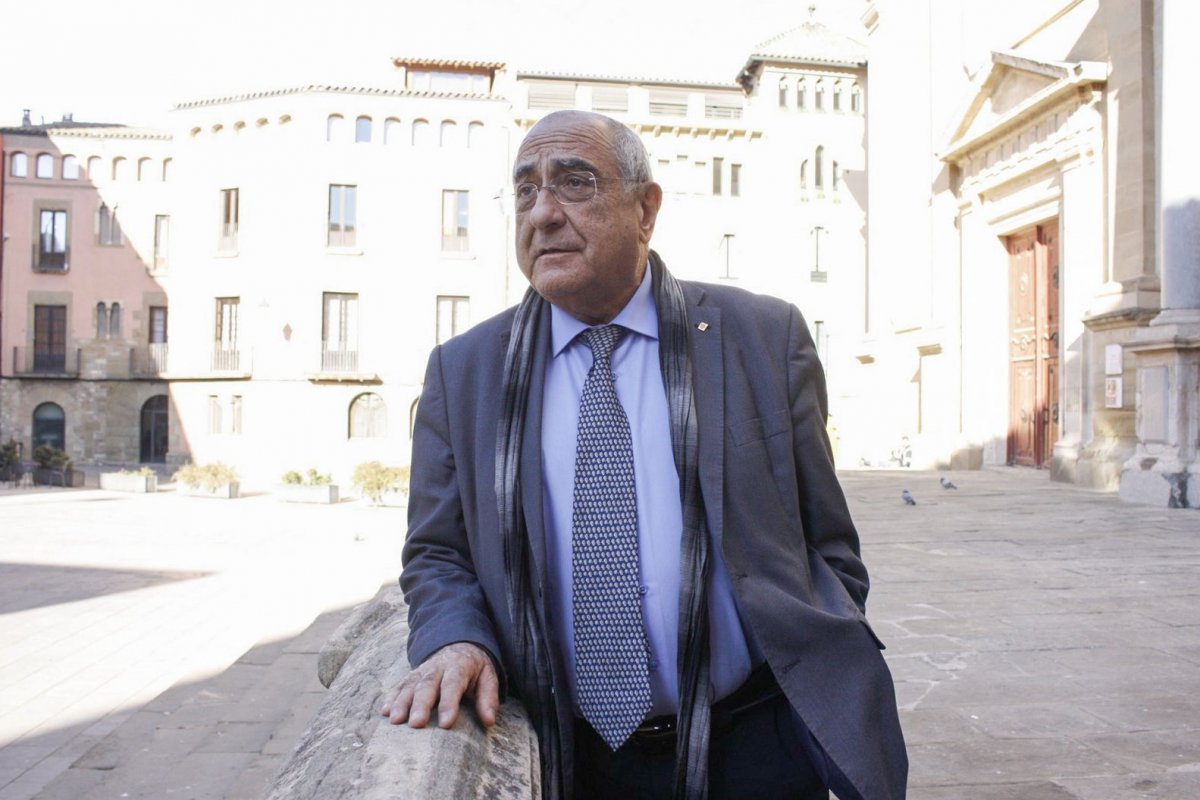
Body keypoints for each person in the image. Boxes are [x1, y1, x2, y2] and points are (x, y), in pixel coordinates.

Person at [381, 109, 907, 800]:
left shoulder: (762, 336)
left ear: (646, 208)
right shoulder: (466, 370)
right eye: (525, 190)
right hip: (570, 754)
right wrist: (458, 638)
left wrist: (815, 650)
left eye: (574, 183)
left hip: (754, 746)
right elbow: (438, 552)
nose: (542, 213)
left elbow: (827, 541)